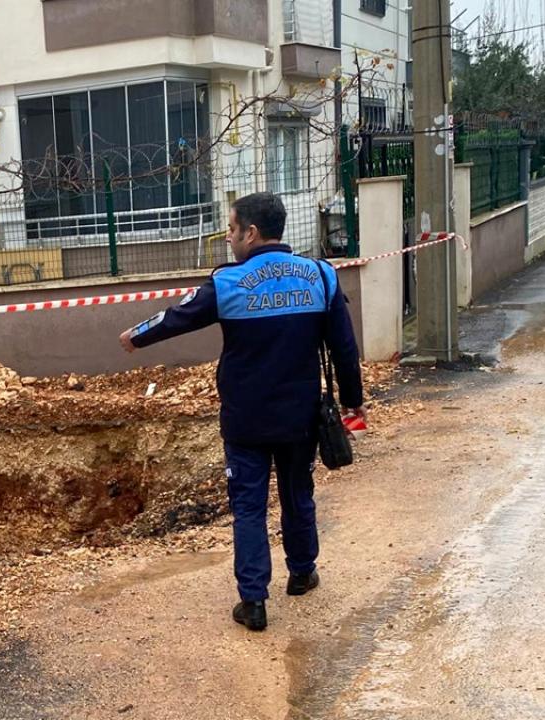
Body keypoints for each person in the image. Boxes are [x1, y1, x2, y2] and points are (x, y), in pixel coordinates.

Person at [118, 192, 364, 632]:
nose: (229, 239)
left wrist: (136, 335)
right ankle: (303, 573)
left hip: (245, 420)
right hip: (300, 418)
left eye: (231, 230)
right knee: (297, 492)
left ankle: (253, 602)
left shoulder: (229, 284)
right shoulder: (320, 277)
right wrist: (352, 400)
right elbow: (344, 348)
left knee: (248, 508)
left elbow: (179, 316)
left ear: (251, 233)